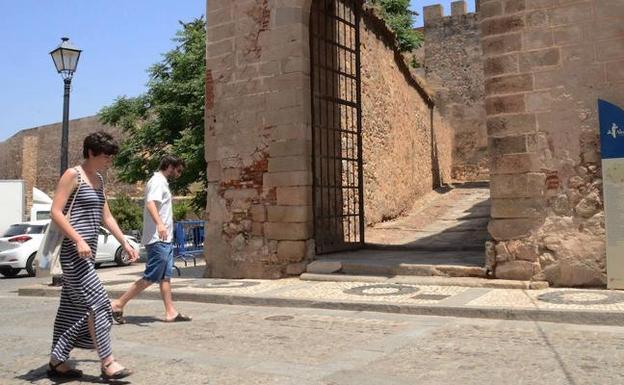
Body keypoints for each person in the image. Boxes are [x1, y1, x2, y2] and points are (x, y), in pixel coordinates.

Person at [48, 131, 138, 380]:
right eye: (106, 156)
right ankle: (107, 362)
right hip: (73, 252)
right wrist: (77, 239)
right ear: (90, 152)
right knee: (99, 304)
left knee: (71, 310)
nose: (109, 160)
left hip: (89, 253)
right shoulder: (72, 175)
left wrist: (125, 243)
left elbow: (106, 216)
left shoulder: (98, 178)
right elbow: (55, 212)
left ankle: (57, 361)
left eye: (111, 157)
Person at [111, 155, 191, 324]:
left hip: (165, 239)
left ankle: (171, 312)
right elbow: (150, 204)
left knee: (165, 277)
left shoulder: (162, 182)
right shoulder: (157, 181)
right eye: (178, 169)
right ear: (170, 166)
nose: (179, 173)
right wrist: (160, 224)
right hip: (157, 239)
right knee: (151, 277)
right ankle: (118, 304)